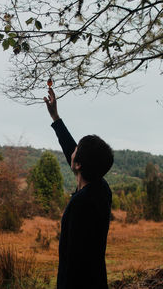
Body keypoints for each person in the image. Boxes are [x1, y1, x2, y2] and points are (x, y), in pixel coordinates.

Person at [44, 88, 114, 289]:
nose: (72, 152)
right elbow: (73, 153)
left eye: (76, 152)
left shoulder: (80, 204)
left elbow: (73, 259)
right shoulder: (102, 188)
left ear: (79, 165)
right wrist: (56, 118)